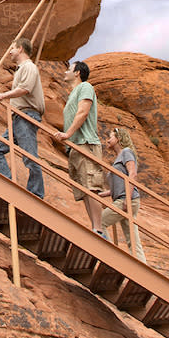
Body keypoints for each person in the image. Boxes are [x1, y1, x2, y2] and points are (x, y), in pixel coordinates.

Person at [0, 38, 45, 198]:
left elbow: (25, 89)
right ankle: (8, 186)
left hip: (26, 115)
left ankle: (36, 194)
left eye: (12, 48)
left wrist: (3, 95)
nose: (10, 52)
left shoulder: (29, 67)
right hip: (18, 117)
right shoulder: (22, 68)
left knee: (30, 157)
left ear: (20, 49)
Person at [53, 60, 103, 236]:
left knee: (91, 187)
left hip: (86, 143)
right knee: (84, 190)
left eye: (69, 69)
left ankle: (99, 229)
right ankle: (95, 228)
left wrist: (67, 135)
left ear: (77, 73)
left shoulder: (85, 87)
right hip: (76, 146)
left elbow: (83, 112)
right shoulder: (74, 92)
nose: (66, 72)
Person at [99, 126, 147, 261]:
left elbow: (132, 174)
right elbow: (118, 185)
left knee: (100, 222)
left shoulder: (126, 152)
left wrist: (127, 197)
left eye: (111, 137)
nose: (108, 140)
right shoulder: (119, 157)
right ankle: (141, 269)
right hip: (125, 198)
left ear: (119, 138)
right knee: (132, 237)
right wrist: (102, 194)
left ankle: (111, 257)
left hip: (127, 199)